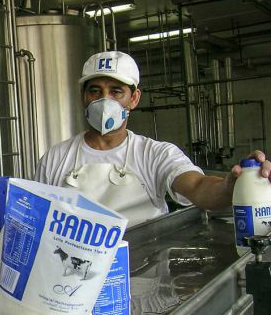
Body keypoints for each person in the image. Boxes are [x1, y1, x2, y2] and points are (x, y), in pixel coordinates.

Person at [34, 50, 271, 226]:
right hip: (75, 280)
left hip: (145, 277)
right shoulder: (56, 158)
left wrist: (231, 186)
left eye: (116, 91)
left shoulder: (154, 154)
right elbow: (36, 220)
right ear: (83, 96)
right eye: (95, 90)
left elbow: (198, 186)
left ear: (134, 99)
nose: (104, 100)